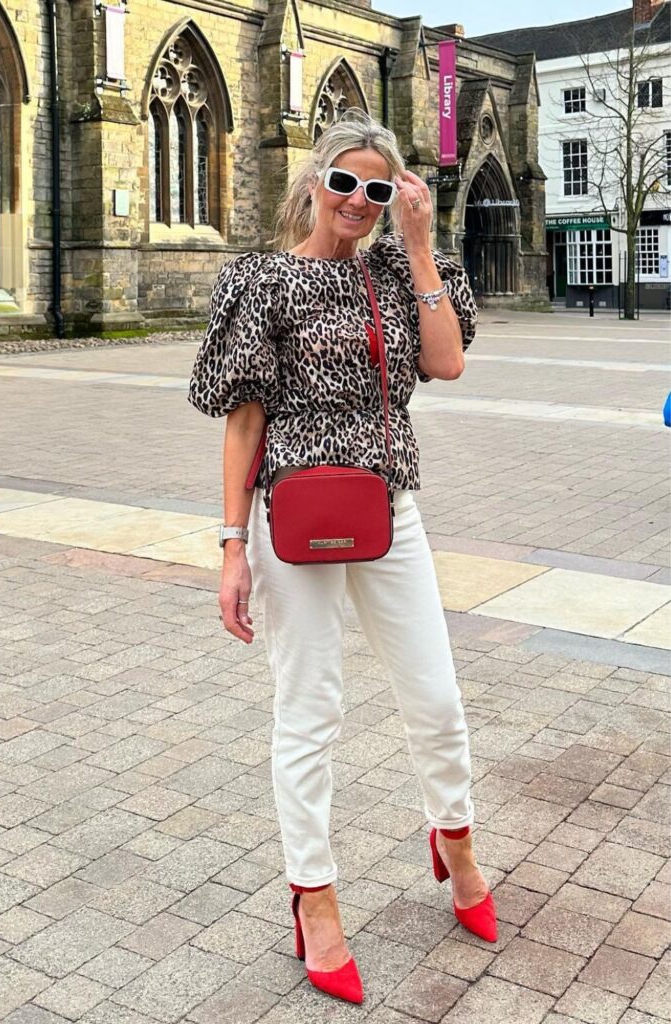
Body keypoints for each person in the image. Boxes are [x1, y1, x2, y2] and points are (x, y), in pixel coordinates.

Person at [188, 109, 495, 1006]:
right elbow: (244, 417)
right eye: (344, 183)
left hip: (390, 510)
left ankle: (457, 842)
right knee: (309, 712)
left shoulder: (400, 272)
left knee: (435, 699)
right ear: (315, 184)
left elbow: (444, 365)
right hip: (293, 520)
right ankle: (314, 899)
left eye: (376, 187)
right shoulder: (264, 280)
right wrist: (231, 544)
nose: (358, 202)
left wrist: (420, 240)